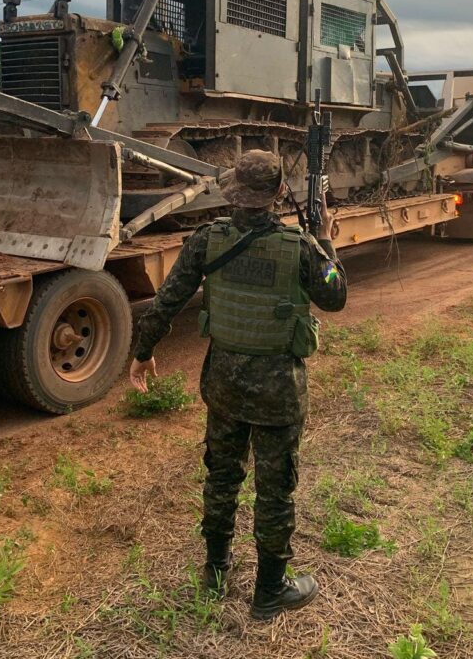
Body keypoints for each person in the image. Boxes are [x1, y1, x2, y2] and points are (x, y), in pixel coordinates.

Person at [129, 149, 347, 620]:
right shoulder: (301, 247)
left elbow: (166, 302)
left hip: (224, 387)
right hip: (278, 394)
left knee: (221, 477)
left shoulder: (207, 240)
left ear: (233, 193)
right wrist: (325, 240)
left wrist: (144, 353)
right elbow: (337, 295)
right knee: (275, 490)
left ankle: (215, 570)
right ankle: (270, 591)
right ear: (277, 196)